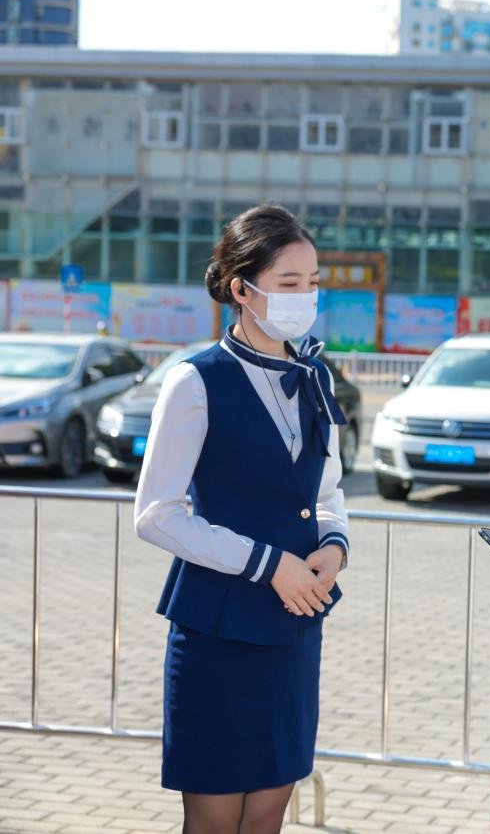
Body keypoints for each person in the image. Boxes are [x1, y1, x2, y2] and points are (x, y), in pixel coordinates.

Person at [134, 204, 350, 834]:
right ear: (241, 288)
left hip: (292, 628)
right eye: (290, 283)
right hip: (218, 628)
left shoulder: (313, 374)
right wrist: (270, 565)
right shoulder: (195, 381)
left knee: (267, 817)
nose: (307, 296)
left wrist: (332, 548)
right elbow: (155, 514)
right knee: (214, 819)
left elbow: (328, 491)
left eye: (313, 281)